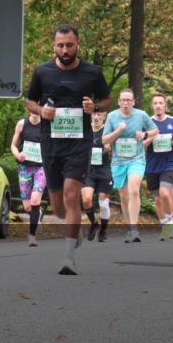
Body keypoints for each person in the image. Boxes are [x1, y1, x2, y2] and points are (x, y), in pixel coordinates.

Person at [25, 24, 112, 275]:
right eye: (60, 45)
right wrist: (41, 111)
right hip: (51, 144)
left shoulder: (92, 73)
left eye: (69, 45)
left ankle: (68, 257)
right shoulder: (43, 72)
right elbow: (30, 101)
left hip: (79, 143)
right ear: (54, 46)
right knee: (59, 207)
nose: (65, 50)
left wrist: (94, 107)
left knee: (72, 195)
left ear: (78, 45)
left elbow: (107, 100)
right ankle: (74, 231)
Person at [102, 89, 159, 243]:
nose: (126, 103)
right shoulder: (112, 117)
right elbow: (105, 140)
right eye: (123, 100)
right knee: (123, 195)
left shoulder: (141, 115)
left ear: (133, 101)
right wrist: (118, 130)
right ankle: (129, 227)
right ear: (119, 102)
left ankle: (134, 229)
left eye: (129, 100)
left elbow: (155, 130)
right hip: (118, 162)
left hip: (137, 159)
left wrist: (145, 135)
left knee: (134, 190)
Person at [143, 93, 173, 241]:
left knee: (165, 193)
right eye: (155, 103)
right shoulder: (146, 122)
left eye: (161, 103)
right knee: (158, 200)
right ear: (152, 106)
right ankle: (166, 226)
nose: (158, 106)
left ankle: (170, 222)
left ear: (165, 105)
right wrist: (151, 138)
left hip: (169, 164)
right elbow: (141, 145)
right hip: (151, 165)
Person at [11, 109, 47, 246]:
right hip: (25, 168)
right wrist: (18, 155)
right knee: (27, 206)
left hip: (41, 168)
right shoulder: (21, 124)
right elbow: (13, 145)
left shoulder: (47, 126)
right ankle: (37, 212)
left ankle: (32, 236)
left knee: (35, 199)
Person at [82, 111, 113, 242]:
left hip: (104, 171)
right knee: (86, 200)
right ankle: (94, 223)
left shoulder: (108, 130)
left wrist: (109, 147)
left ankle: (104, 229)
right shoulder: (84, 129)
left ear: (104, 116)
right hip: (88, 171)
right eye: (94, 114)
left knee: (104, 204)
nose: (96, 117)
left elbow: (115, 146)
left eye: (99, 114)